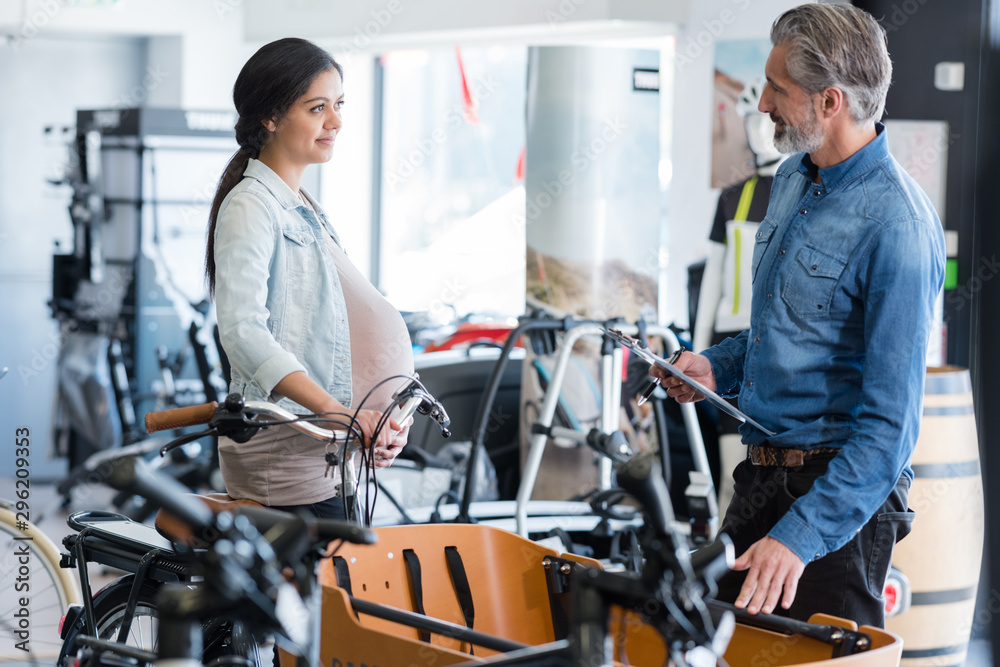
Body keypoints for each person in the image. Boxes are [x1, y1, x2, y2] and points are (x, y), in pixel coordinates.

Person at [654, 3, 945, 628]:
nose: (761, 103)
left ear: (830, 102)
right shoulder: (791, 179)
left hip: (837, 508)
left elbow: (890, 432)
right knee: (703, 643)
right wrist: (714, 366)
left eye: (777, 89)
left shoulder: (899, 226)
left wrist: (800, 537)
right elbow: (784, 330)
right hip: (759, 477)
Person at [205, 38, 414, 520]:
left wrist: (379, 422)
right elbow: (243, 332)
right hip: (289, 466)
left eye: (338, 105)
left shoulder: (304, 209)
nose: (335, 122)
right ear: (270, 118)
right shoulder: (251, 205)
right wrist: (339, 413)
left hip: (331, 459)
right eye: (317, 107)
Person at [693, 78, 788, 510]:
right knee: (731, 466)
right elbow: (712, 277)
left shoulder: (799, 192)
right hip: (727, 341)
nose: (756, 132)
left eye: (764, 121)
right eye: (749, 122)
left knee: (773, 459)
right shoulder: (733, 196)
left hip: (775, 343)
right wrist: (694, 349)